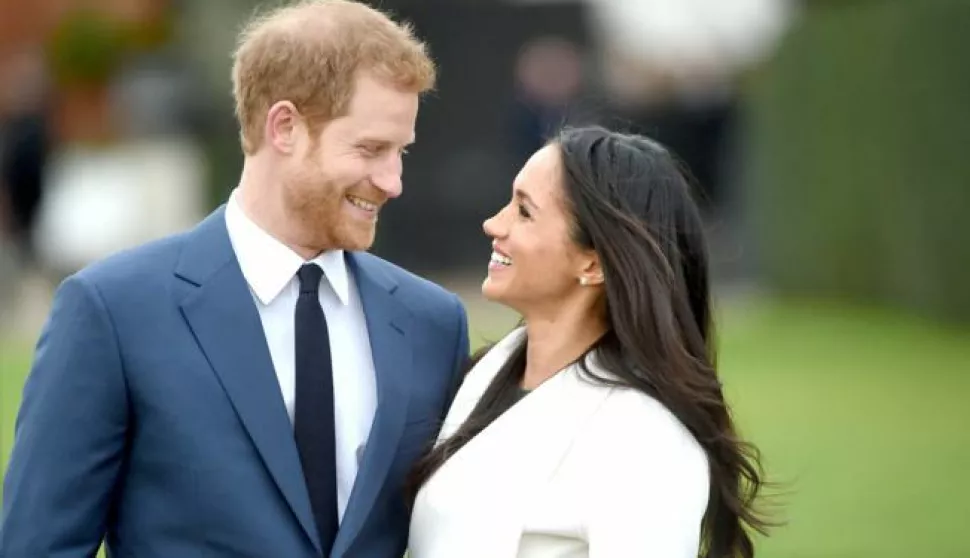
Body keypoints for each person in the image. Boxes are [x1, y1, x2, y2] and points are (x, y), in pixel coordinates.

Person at [0, 1, 469, 557]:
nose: (393, 181)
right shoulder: (113, 311)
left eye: (401, 152)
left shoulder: (432, 324)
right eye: (371, 150)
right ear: (285, 127)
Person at [408, 126, 772, 557]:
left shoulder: (645, 440)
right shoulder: (486, 374)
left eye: (524, 212)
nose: (494, 224)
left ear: (593, 264)